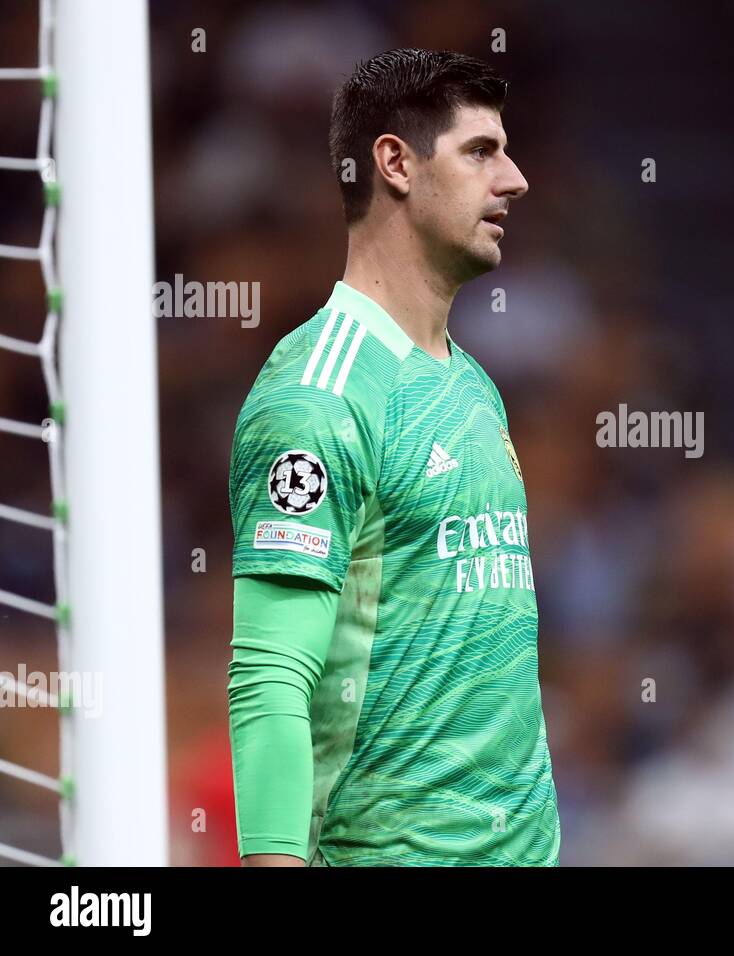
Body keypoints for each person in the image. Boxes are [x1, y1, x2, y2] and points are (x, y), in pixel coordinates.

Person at [226, 48, 559, 866]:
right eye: (481, 151)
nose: (514, 179)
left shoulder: (474, 385)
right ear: (395, 164)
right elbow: (269, 680)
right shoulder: (318, 394)